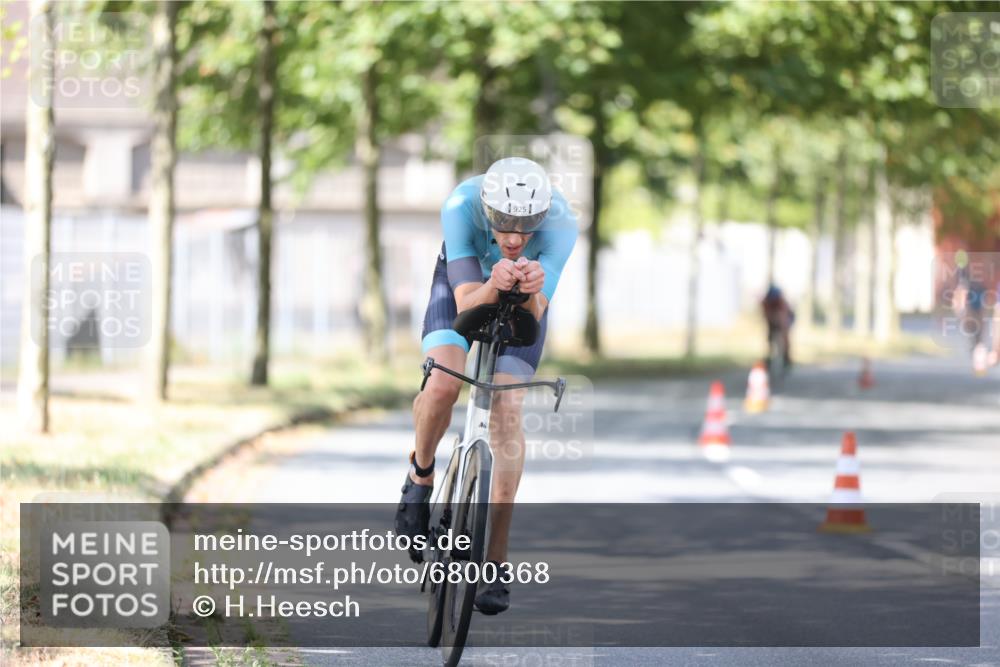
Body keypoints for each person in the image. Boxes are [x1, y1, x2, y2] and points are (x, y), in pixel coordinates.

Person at [395, 157, 577, 614]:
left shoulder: (562, 223)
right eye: (503, 223)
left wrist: (531, 290)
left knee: (508, 409)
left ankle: (495, 560)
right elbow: (464, 305)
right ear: (486, 209)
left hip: (523, 296)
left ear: (543, 216)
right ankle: (420, 477)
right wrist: (494, 282)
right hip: (467, 286)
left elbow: (536, 312)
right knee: (442, 385)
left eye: (527, 226)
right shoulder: (460, 205)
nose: (514, 238)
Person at [761, 284, 794, 368]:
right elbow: (766, 315)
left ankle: (787, 357)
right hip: (772, 316)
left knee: (785, 334)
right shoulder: (765, 302)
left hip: (787, 316)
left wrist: (783, 326)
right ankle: (770, 354)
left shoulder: (782, 302)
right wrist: (771, 321)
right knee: (770, 333)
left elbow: (784, 317)